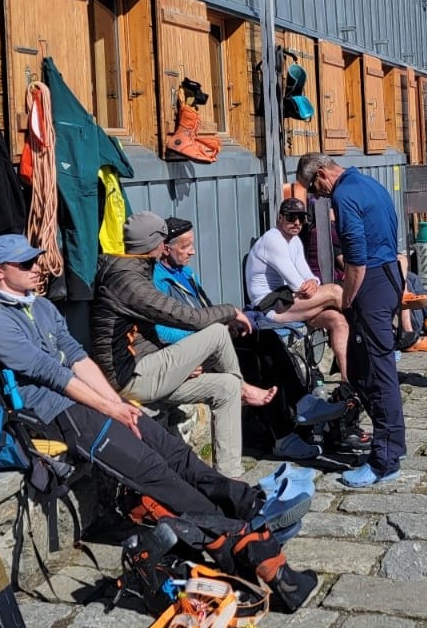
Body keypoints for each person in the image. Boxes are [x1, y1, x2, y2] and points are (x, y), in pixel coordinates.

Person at [0, 234, 277, 537]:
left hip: (86, 397)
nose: (37, 267)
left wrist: (118, 405)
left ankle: (245, 503)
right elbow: (50, 373)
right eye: (26, 263)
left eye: (36, 260)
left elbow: (78, 358)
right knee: (148, 468)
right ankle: (227, 530)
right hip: (54, 413)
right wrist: (110, 408)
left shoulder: (42, 306)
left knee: (170, 448)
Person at [90, 211, 275, 479]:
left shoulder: (133, 271)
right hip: (131, 378)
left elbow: (146, 336)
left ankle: (230, 480)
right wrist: (231, 310)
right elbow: (188, 318)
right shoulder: (128, 282)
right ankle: (245, 388)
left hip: (149, 369)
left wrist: (179, 367)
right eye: (165, 240)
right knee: (217, 332)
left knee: (226, 387)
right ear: (156, 244)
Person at [295, 151, 408, 488]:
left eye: (314, 191)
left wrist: (346, 297)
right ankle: (391, 442)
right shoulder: (370, 183)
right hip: (388, 276)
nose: (318, 197)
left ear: (320, 175)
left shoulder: (343, 195)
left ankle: (384, 460)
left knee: (377, 370)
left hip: (370, 280)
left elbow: (356, 260)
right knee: (360, 368)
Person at [244, 198, 351, 379]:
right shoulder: (273, 240)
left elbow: (308, 276)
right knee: (335, 291)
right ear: (279, 218)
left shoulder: (294, 241)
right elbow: (296, 283)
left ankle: (349, 380)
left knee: (338, 320)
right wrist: (308, 284)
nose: (297, 223)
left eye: (301, 218)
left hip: (289, 300)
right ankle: (369, 331)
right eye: (291, 217)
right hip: (269, 307)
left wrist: (313, 282)